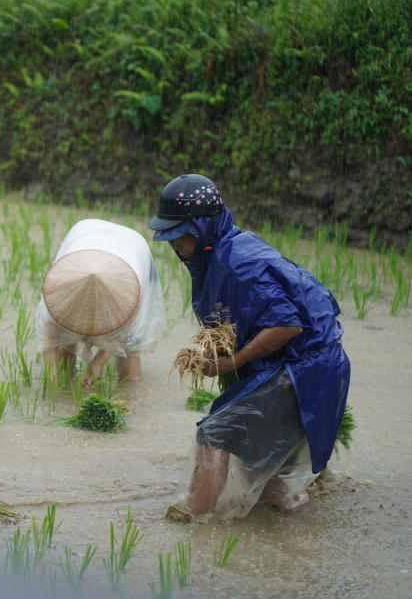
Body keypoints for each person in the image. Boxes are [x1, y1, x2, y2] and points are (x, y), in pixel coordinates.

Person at [148, 173, 351, 521]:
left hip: (303, 369)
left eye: (180, 236)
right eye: (170, 237)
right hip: (304, 366)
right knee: (265, 471)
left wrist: (230, 364)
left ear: (202, 229)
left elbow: (287, 324)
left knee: (215, 432)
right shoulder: (220, 254)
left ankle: (192, 522)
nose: (175, 246)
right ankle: (287, 506)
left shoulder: (239, 262)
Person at [37, 218, 165, 388]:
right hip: (84, 233)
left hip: (131, 248)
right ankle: (67, 379)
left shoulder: (131, 294)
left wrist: (98, 362)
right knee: (66, 340)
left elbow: (125, 336)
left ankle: (131, 393)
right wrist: (53, 389)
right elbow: (49, 343)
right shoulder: (55, 299)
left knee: (129, 350)